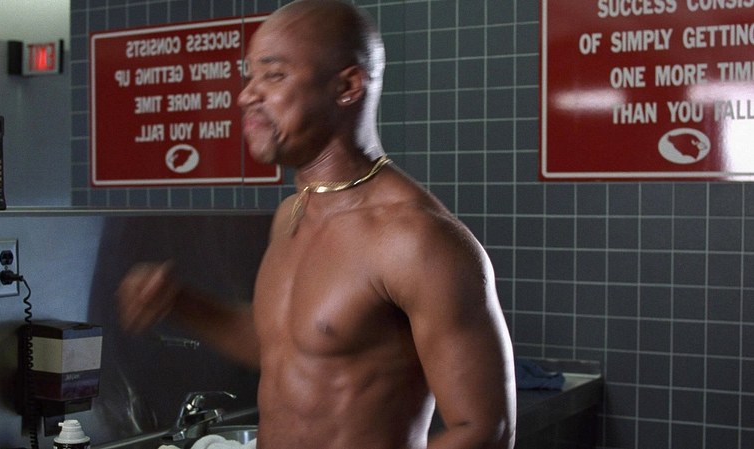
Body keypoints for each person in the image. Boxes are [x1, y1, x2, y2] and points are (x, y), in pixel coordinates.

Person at [117, 1, 516, 448]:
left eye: (274, 75)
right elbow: (290, 345)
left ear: (347, 86)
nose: (246, 96)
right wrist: (182, 303)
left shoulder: (417, 239)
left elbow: (484, 430)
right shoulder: (292, 213)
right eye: (249, 76)